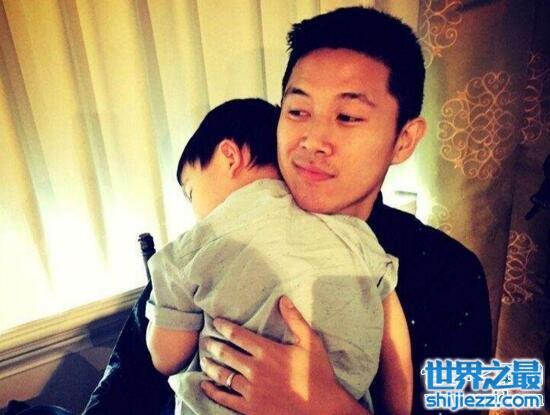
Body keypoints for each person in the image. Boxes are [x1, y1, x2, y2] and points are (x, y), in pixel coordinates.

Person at [83, 6, 492, 415]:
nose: (313, 140)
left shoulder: (447, 275)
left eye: (348, 116)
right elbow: (116, 400)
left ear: (403, 139)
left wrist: (329, 407)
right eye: (297, 111)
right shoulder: (210, 248)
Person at [145, 98, 405, 414]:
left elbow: (166, 357)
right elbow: (393, 337)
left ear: (230, 156)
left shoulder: (193, 248)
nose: (195, 211)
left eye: (191, 192)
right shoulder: (348, 228)